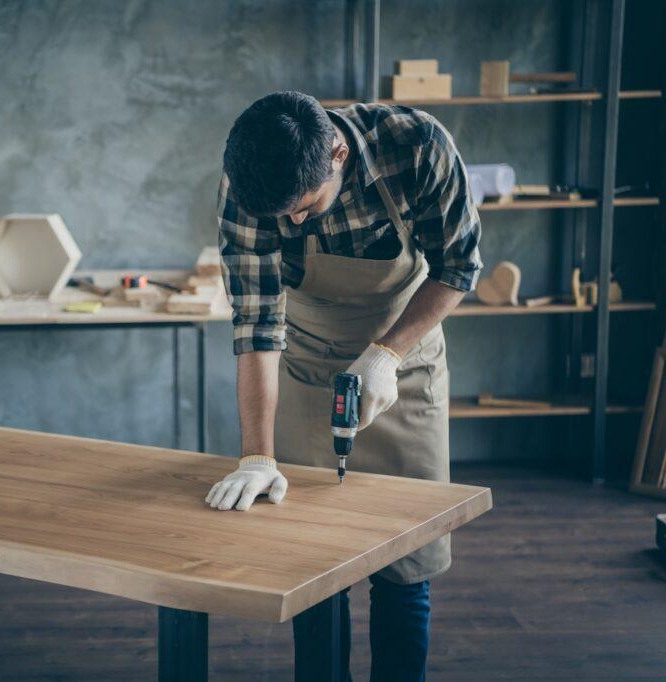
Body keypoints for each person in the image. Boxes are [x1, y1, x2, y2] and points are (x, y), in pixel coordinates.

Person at [205, 91, 482, 681]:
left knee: (406, 564)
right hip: (303, 363)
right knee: (315, 568)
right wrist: (257, 455)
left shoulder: (417, 146)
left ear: (336, 151)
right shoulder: (250, 181)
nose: (294, 224)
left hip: (405, 360)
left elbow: (458, 267)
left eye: (303, 208)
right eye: (282, 216)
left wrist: (387, 354)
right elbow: (256, 321)